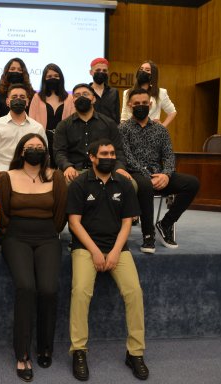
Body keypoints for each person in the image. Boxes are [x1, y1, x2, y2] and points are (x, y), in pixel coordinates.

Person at [67, 139, 149, 382]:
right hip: (86, 247)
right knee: (81, 291)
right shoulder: (80, 183)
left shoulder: (124, 183)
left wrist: (114, 252)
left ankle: (135, 353)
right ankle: (78, 350)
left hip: (117, 248)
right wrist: (94, 251)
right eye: (104, 153)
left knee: (134, 292)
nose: (109, 157)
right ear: (92, 157)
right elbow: (74, 223)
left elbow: (127, 223)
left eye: (112, 153)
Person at [0, 133, 67, 382]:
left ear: (46, 152)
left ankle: (45, 346)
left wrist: (48, 231)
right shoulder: (6, 177)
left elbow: (60, 216)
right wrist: (12, 232)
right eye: (30, 146)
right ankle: (22, 352)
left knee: (48, 289)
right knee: (26, 287)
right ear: (21, 151)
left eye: (40, 146)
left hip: (48, 237)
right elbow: (2, 214)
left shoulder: (56, 177)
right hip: (16, 237)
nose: (35, 149)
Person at [120, 88, 199, 254]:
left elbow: (169, 155)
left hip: (160, 174)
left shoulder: (161, 129)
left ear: (150, 104)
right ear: (129, 105)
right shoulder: (123, 129)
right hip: (135, 174)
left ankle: (165, 224)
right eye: (137, 103)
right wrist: (148, 176)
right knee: (145, 185)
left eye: (144, 103)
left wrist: (166, 174)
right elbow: (127, 157)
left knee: (192, 183)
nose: (141, 106)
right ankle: (148, 235)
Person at [53, 83, 131, 183]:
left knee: (131, 184)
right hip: (75, 171)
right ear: (73, 100)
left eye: (85, 94)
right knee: (64, 185)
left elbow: (118, 151)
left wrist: (119, 168)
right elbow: (59, 152)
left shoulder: (109, 124)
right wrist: (67, 166)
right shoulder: (63, 125)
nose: (81, 97)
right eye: (77, 95)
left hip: (104, 170)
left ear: (93, 99)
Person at [0, 83, 46, 179]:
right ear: (7, 101)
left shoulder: (37, 127)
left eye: (22, 97)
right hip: (1, 174)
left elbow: (45, 153)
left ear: (27, 102)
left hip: (29, 175)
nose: (18, 99)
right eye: (14, 97)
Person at [28, 63, 75, 167]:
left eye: (56, 76)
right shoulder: (37, 97)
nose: (53, 79)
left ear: (61, 78)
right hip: (42, 138)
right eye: (49, 76)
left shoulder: (70, 98)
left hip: (63, 140)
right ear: (44, 79)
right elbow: (31, 121)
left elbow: (73, 122)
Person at [121, 60, 177, 128]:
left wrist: (162, 127)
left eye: (147, 70)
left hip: (153, 131)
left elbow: (172, 112)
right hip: (132, 130)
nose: (143, 71)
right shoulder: (127, 92)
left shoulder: (160, 93)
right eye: (141, 69)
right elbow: (124, 116)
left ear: (153, 75)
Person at [89, 57, 120, 124]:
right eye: (98, 70)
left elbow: (117, 116)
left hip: (110, 129)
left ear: (108, 72)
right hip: (91, 129)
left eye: (104, 70)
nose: (101, 72)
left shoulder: (114, 92)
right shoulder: (86, 92)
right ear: (91, 72)